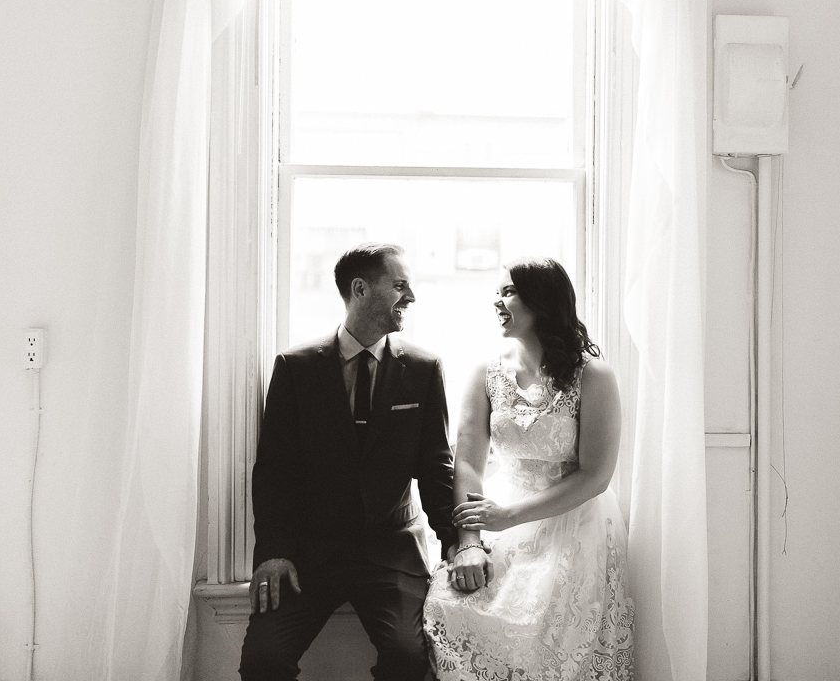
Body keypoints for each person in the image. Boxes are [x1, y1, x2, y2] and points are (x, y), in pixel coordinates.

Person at [240, 243, 457, 681]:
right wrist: (275, 551)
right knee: (262, 661)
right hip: (308, 553)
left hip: (391, 553)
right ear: (360, 289)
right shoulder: (295, 368)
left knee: (409, 661)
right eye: (399, 286)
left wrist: (457, 542)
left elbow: (436, 468)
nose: (410, 297)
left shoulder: (423, 368)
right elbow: (274, 470)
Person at [423, 256, 635, 680]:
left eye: (508, 292)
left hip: (574, 523)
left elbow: (596, 475)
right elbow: (467, 460)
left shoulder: (593, 377)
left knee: (555, 643)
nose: (497, 302)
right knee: (452, 604)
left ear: (542, 301)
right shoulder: (486, 373)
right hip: (501, 513)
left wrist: (510, 516)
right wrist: (469, 540)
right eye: (497, 292)